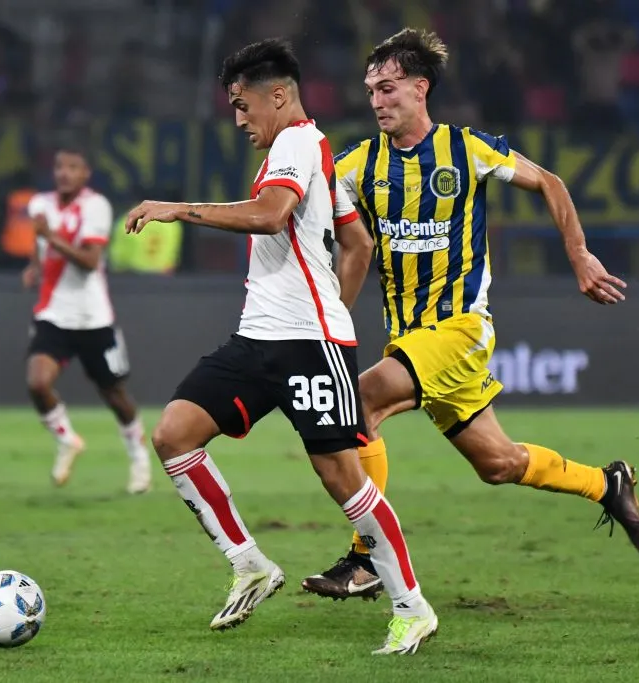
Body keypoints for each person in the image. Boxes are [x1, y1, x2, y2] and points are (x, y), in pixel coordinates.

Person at [301, 28, 639, 603]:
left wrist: (579, 255)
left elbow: (550, 182)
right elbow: (298, 199)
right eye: (370, 91)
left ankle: (367, 559)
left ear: (420, 89)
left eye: (387, 88)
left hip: (461, 329)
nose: (376, 102)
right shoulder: (360, 163)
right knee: (499, 463)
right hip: (411, 339)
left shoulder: (467, 149)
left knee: (358, 402)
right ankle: (606, 483)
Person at [124, 39, 438, 655]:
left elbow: (271, 215)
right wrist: (333, 306)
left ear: (277, 95)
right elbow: (357, 244)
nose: (239, 119)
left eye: (243, 106)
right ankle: (249, 565)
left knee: (341, 477)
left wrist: (177, 209)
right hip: (259, 336)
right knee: (174, 434)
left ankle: (412, 607)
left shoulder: (296, 143)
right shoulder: (309, 153)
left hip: (306, 345)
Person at [22, 145, 152, 494]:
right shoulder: (39, 205)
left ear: (85, 173)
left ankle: (139, 458)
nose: (64, 173)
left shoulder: (96, 207)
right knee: (37, 382)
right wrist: (34, 266)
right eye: (59, 166)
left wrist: (51, 237)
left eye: (73, 167)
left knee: (115, 395)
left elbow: (90, 262)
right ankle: (67, 440)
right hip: (53, 315)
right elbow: (39, 246)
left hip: (94, 319)